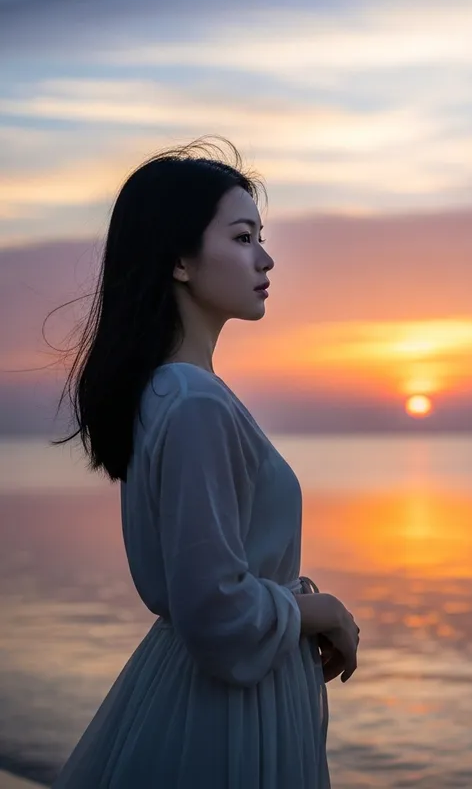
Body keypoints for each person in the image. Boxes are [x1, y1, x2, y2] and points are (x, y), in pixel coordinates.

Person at [48, 136, 359, 788]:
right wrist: (319, 611)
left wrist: (293, 602)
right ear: (182, 260)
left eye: (260, 237)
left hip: (204, 691)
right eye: (243, 238)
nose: (266, 258)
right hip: (223, 713)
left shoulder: (174, 392)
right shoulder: (192, 401)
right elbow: (215, 611)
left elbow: (218, 579)